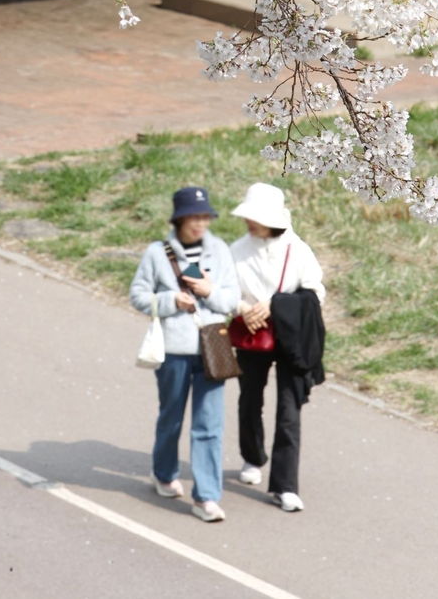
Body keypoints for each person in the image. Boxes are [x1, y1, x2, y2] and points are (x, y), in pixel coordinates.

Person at [130, 185, 240, 522]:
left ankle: (206, 497)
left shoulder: (220, 251)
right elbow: (138, 296)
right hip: (174, 351)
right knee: (171, 417)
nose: (200, 224)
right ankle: (163, 473)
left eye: (205, 217)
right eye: (194, 217)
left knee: (209, 425)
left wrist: (208, 291)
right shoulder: (156, 253)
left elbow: (231, 299)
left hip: (213, 348)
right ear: (179, 219)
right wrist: (169, 301)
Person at [230, 182, 325, 513]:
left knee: (289, 410)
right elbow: (225, 291)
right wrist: (243, 309)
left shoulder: (297, 250)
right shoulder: (236, 250)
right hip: (251, 335)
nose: (249, 223)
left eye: (256, 217)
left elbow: (315, 293)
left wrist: (274, 305)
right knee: (249, 400)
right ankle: (252, 458)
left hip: (290, 340)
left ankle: (285, 485)